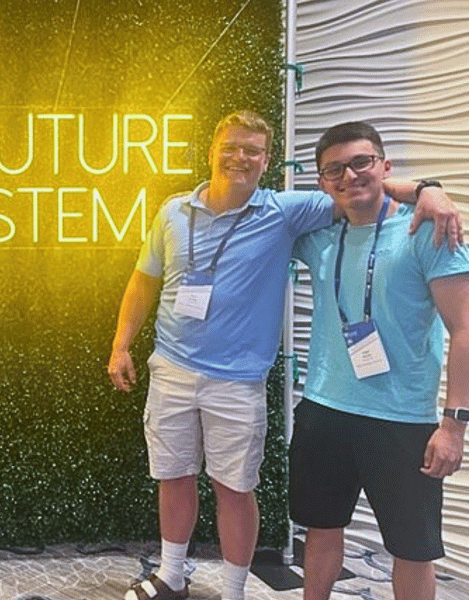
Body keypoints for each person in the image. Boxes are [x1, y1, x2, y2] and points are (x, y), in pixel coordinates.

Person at [108, 110, 462, 600]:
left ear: (267, 160)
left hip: (283, 390)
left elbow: (363, 191)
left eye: (252, 150)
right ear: (212, 151)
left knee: (241, 490)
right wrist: (122, 343)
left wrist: (429, 188)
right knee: (187, 480)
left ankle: (232, 590)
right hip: (222, 380)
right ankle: (171, 575)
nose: (240, 158)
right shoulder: (183, 213)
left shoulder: (290, 212)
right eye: (230, 147)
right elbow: (145, 277)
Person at [289, 121, 469, 600]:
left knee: (412, 550)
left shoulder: (426, 230)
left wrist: (454, 425)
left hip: (402, 420)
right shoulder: (318, 235)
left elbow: (465, 329)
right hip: (324, 411)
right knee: (321, 530)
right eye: (334, 170)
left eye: (361, 162)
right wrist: (427, 188)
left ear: (385, 166)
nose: (349, 176)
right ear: (323, 182)